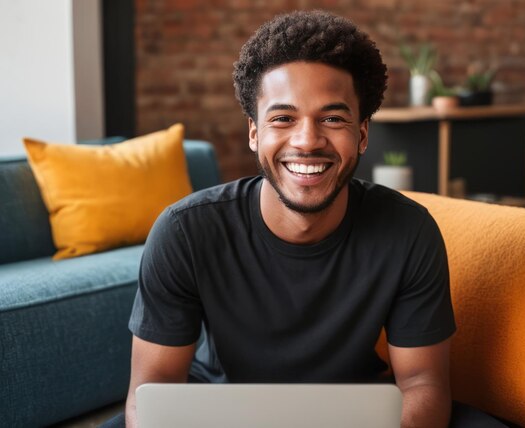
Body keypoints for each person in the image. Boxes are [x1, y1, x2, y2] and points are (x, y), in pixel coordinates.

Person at [105, 10, 476, 428]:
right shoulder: (184, 232)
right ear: (254, 132)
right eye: (283, 118)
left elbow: (423, 384)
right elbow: (150, 393)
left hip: (354, 416)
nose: (307, 141)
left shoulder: (409, 231)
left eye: (333, 119)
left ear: (363, 134)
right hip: (218, 415)